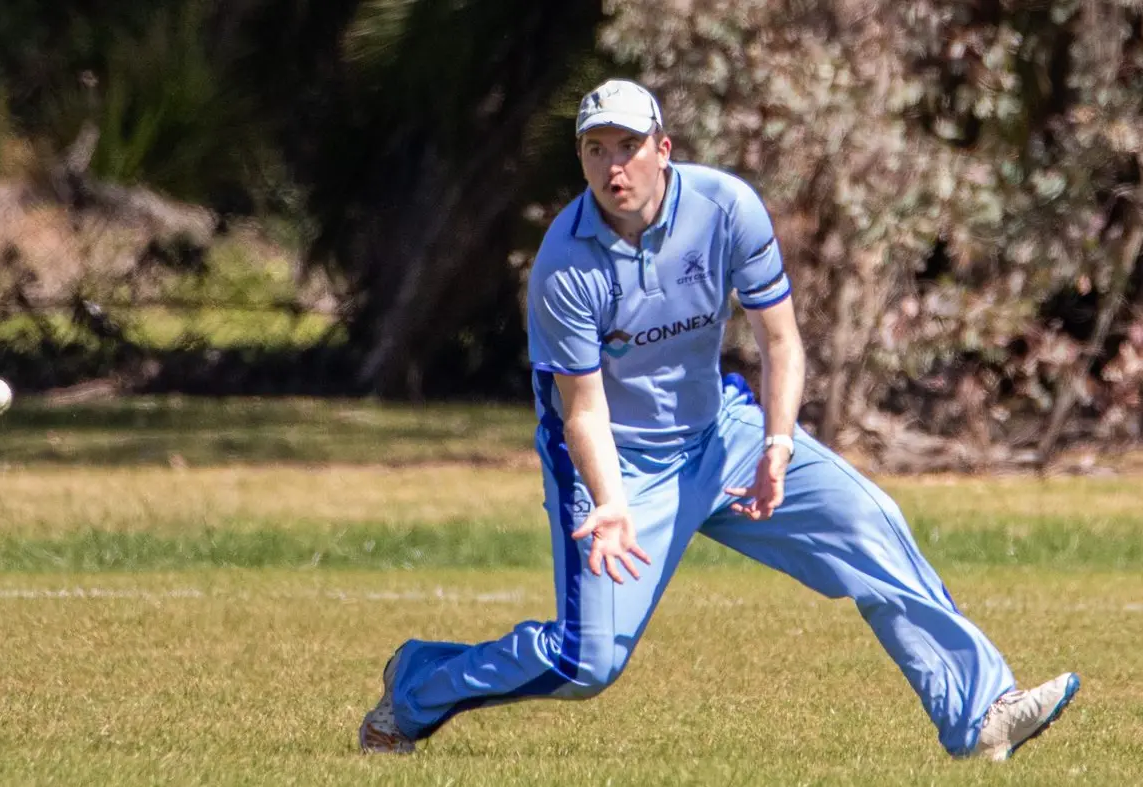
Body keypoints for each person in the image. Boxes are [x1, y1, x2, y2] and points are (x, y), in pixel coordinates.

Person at [358, 78, 1079, 761]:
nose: (615, 165)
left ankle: (981, 711)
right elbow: (582, 411)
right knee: (588, 661)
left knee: (870, 521)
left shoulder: (726, 206)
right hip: (619, 461)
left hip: (723, 434)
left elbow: (780, 340)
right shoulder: (563, 265)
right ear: (580, 158)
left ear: (662, 148)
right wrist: (610, 502)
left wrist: (776, 442)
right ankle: (420, 682)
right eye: (595, 149)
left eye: (628, 145)